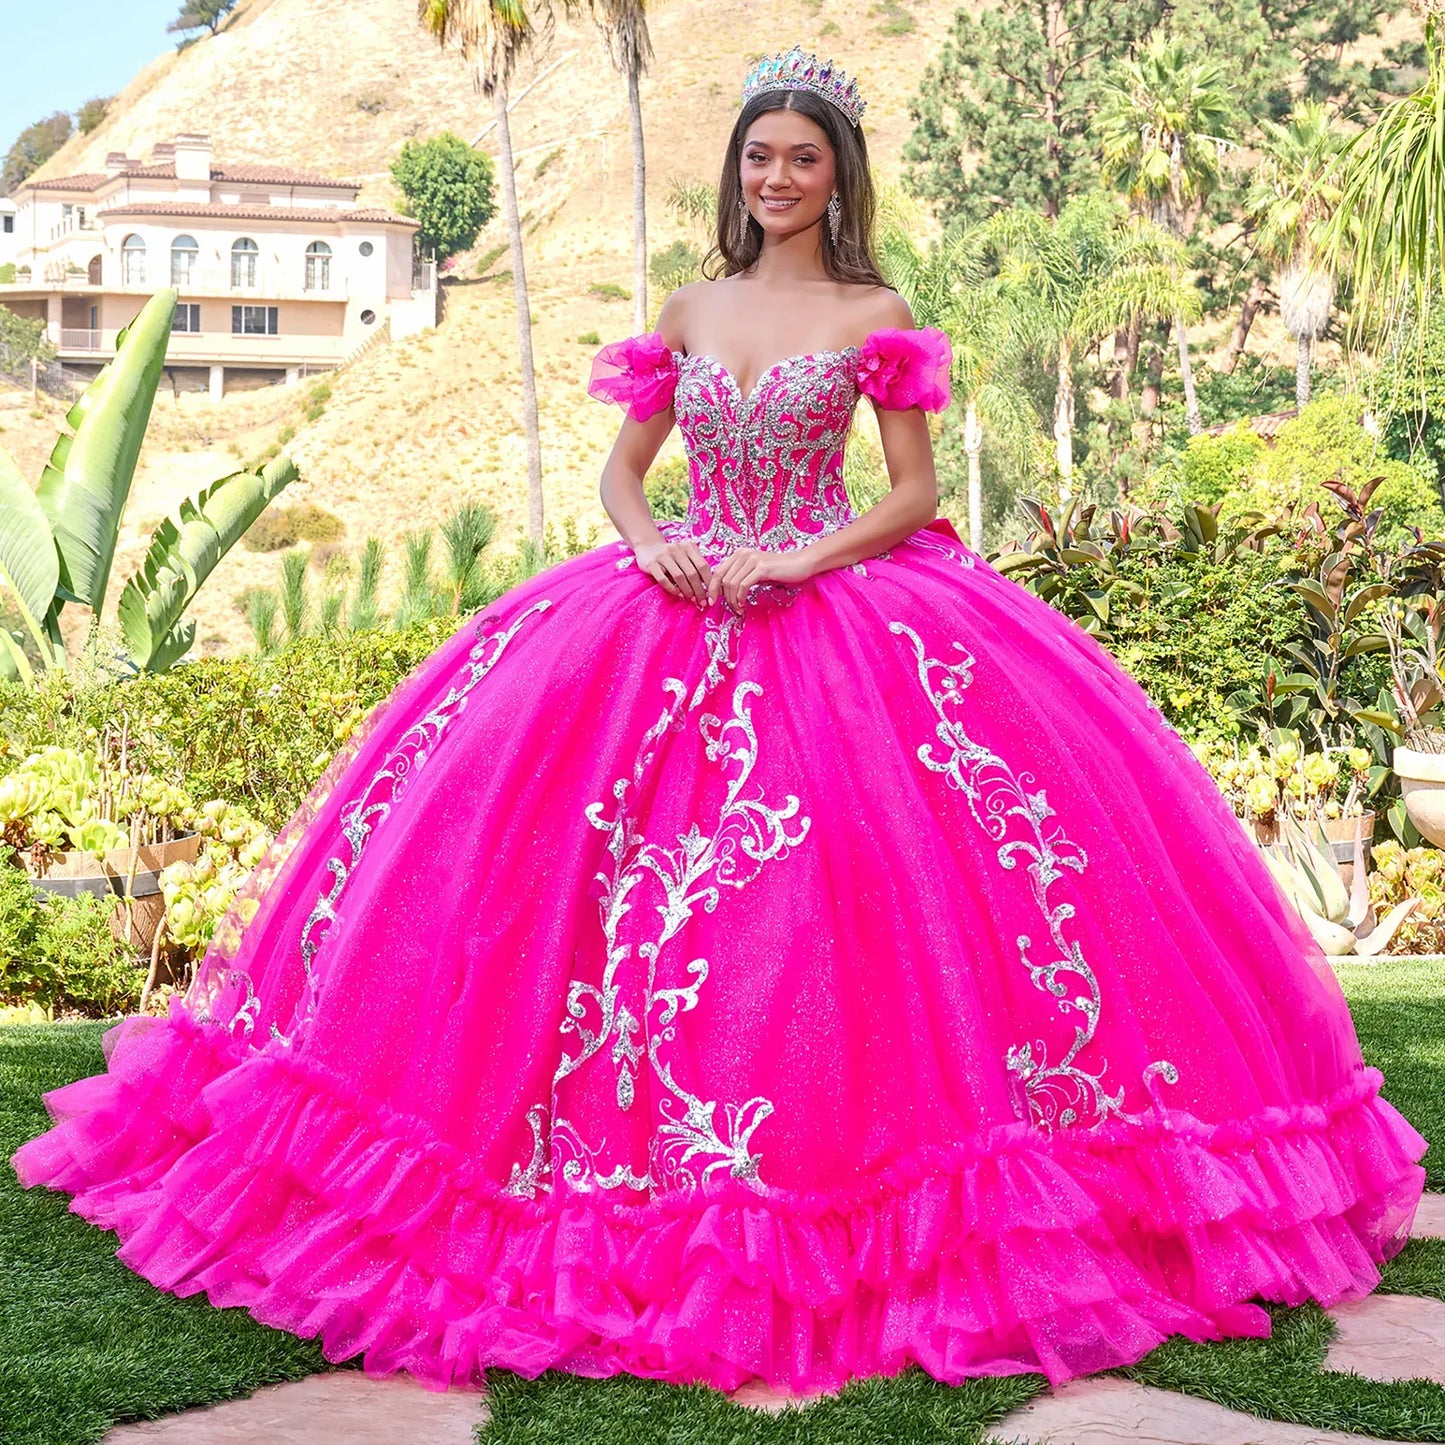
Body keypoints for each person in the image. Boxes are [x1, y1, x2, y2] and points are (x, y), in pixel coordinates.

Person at [13, 44, 1427, 1398]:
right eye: (759, 156)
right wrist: (650, 546)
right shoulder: (686, 311)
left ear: (837, 172)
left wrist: (802, 560)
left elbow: (912, 497)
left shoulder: (875, 319)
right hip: (666, 597)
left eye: (802, 158)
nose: (777, 177)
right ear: (736, 169)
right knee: (544, 879)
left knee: (860, 908)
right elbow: (626, 474)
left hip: (831, 603)